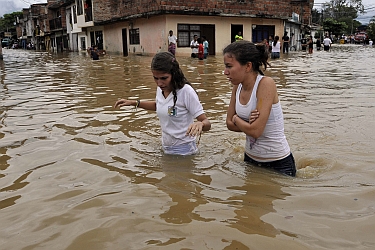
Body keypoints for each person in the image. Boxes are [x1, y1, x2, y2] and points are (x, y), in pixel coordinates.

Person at [114, 52, 211, 155]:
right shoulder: (161, 89)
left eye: (164, 78)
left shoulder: (186, 92)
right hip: (166, 147)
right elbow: (159, 105)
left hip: (185, 151)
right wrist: (134, 103)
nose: (159, 83)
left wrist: (200, 123)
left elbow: (207, 123)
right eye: (155, 78)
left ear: (174, 74)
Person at [223, 40, 296, 176]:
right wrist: (248, 124)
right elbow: (228, 124)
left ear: (248, 66)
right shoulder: (236, 86)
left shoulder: (265, 84)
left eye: (229, 66)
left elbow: (255, 131)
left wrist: (236, 119)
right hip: (250, 160)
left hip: (278, 164)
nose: (225, 72)